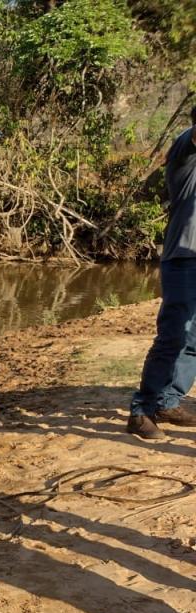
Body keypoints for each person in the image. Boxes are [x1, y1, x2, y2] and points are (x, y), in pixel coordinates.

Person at [127, 105, 196, 440]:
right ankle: (141, 410)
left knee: (193, 339)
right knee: (172, 336)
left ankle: (169, 401)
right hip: (184, 259)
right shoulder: (186, 150)